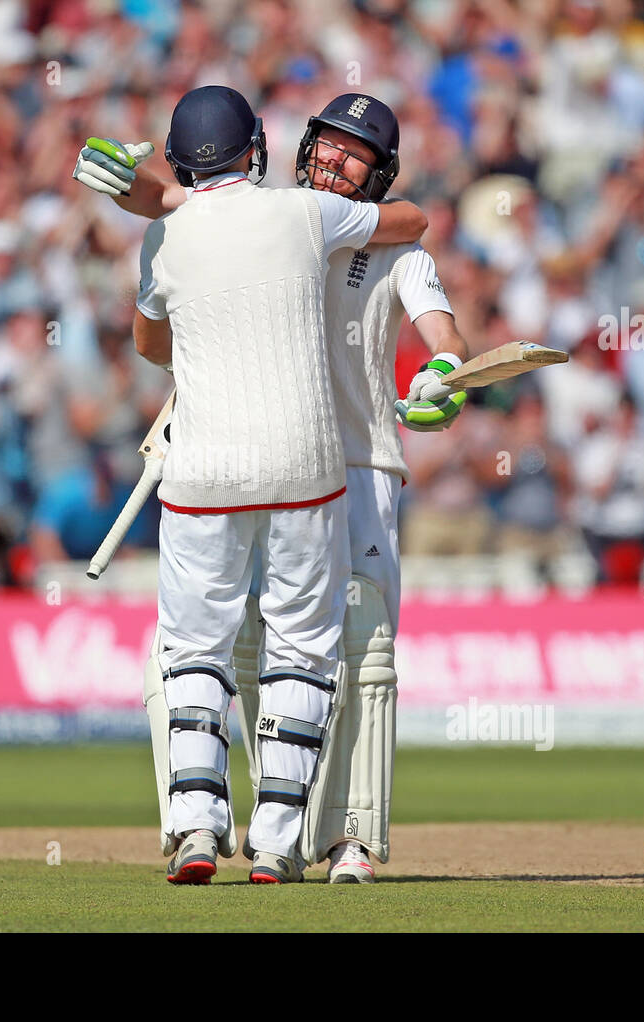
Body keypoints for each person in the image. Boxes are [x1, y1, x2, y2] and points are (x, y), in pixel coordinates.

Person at [79, 88, 440, 883]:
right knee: (302, 652)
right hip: (307, 470)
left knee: (193, 650)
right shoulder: (303, 215)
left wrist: (128, 184)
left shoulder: (163, 238)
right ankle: (277, 840)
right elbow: (409, 220)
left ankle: (198, 827)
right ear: (259, 150)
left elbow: (151, 346)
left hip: (203, 474)